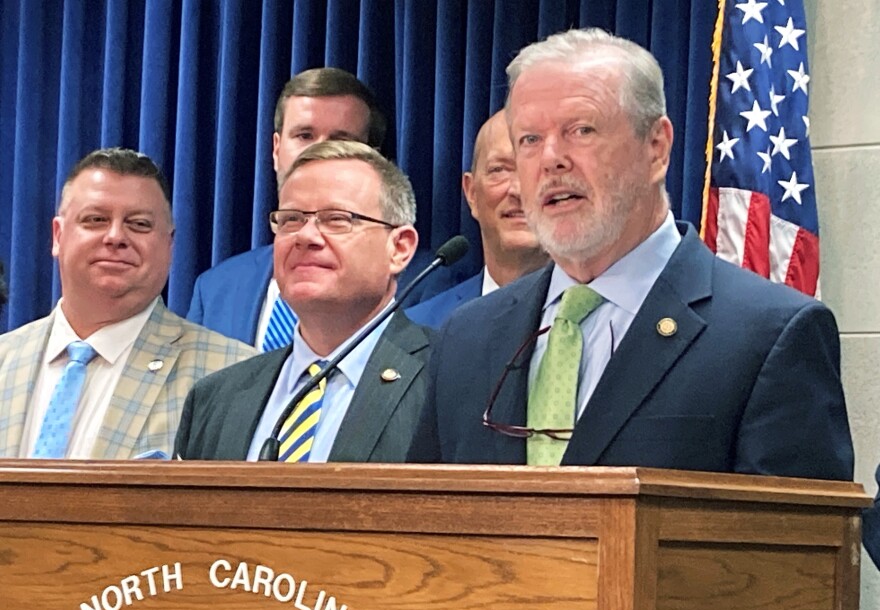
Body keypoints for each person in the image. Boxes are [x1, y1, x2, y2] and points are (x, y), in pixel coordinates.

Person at [408, 28, 853, 480]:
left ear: (656, 148)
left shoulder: (767, 335)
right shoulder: (466, 338)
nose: (551, 159)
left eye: (580, 130)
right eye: (529, 139)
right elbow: (419, 525)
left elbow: (796, 546)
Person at [175, 141, 431, 462]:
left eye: (337, 219)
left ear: (399, 248)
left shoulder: (444, 381)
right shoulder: (214, 398)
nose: (306, 237)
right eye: (291, 219)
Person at [0, 148, 256, 460]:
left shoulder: (234, 377)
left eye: (139, 224)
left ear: (170, 244)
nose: (115, 236)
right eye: (95, 220)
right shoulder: (5, 357)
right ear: (58, 235)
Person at [186, 67, 386, 349]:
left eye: (341, 140)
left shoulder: (423, 285)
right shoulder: (215, 289)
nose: (318, 153)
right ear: (276, 149)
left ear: (372, 158)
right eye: (304, 135)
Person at [406, 110, 548, 329]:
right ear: (471, 193)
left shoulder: (604, 323)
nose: (518, 190)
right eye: (499, 170)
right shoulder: (419, 328)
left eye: (537, 170)